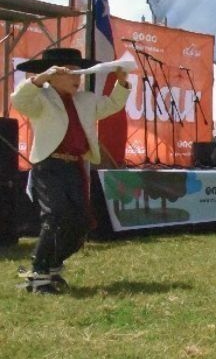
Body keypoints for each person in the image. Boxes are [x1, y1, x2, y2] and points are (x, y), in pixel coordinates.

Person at [11, 48, 131, 293]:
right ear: (53, 76)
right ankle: (38, 273)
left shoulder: (85, 100)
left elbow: (112, 106)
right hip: (49, 165)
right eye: (70, 73)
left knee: (81, 221)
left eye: (79, 73)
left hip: (74, 166)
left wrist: (121, 82)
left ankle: (53, 265)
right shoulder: (41, 98)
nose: (77, 78)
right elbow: (19, 101)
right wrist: (39, 79)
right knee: (55, 215)